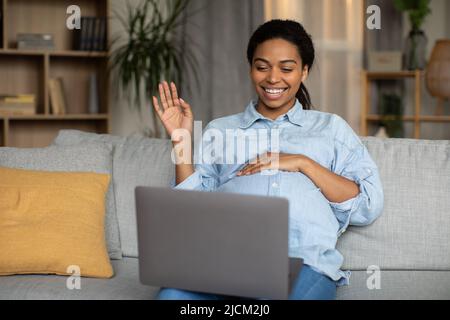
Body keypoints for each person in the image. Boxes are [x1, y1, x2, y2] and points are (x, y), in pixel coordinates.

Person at [151, 19, 384, 300]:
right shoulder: (221, 130)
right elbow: (190, 212)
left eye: (286, 68)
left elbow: (366, 205)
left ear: (304, 71)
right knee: (171, 298)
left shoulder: (330, 128)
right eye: (262, 67)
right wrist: (181, 141)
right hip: (225, 260)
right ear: (251, 69)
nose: (273, 78)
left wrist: (302, 163)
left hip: (303, 262)